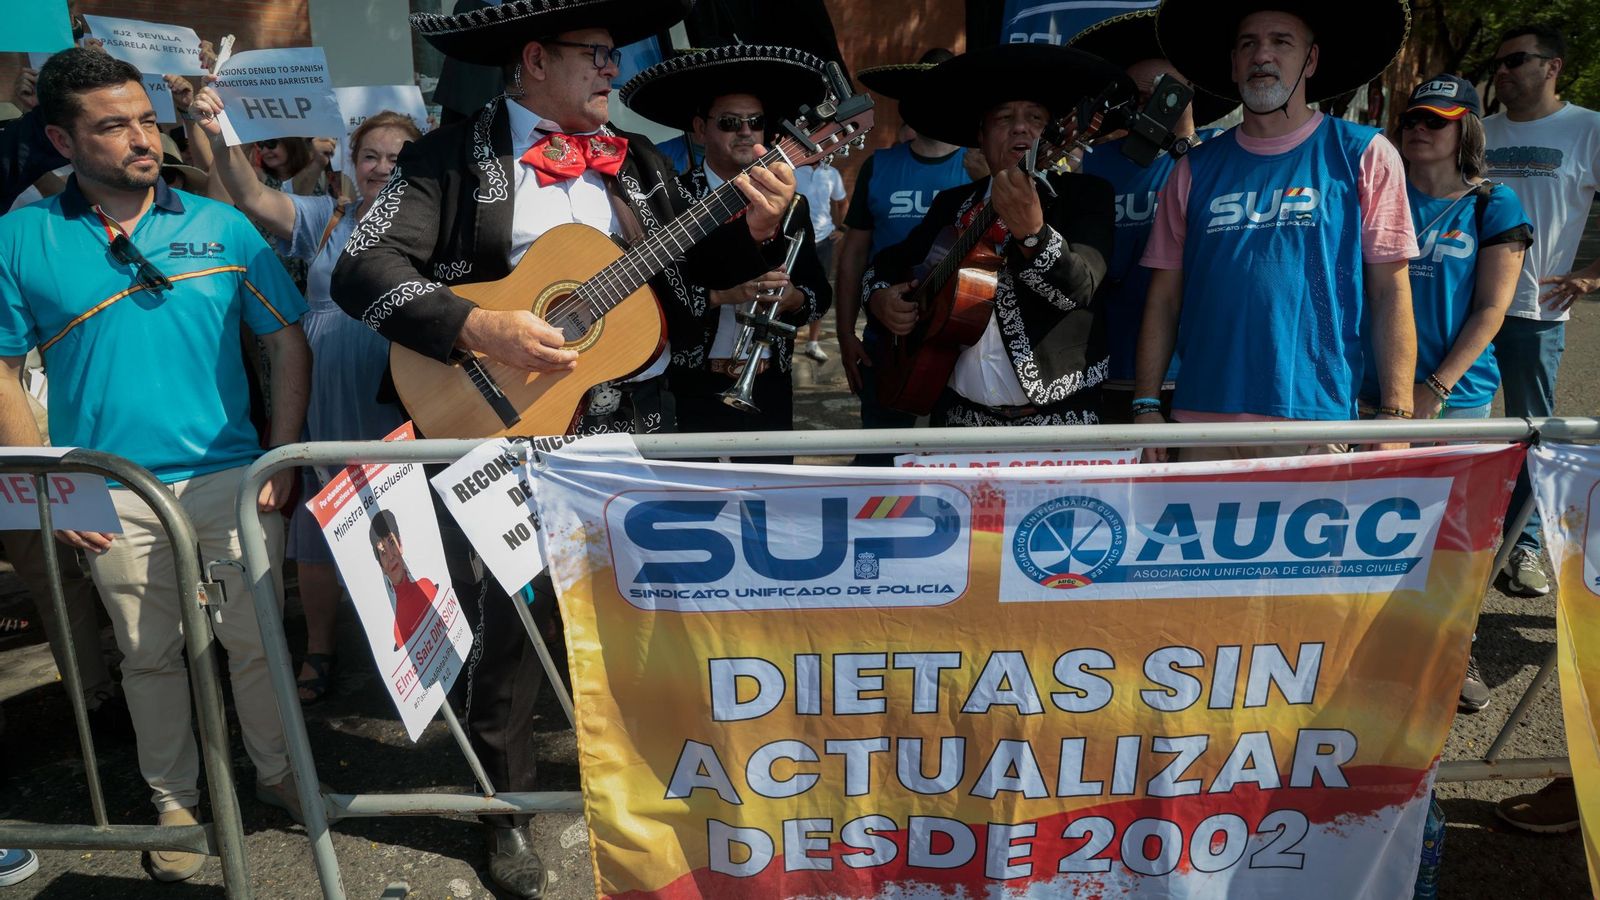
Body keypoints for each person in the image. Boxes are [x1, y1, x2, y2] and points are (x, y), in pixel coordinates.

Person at [330, 2, 794, 895]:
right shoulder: (448, 157)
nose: (614, 69)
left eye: (616, 55)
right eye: (598, 54)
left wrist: (758, 227)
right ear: (536, 60)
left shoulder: (640, 160)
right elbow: (363, 268)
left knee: (642, 610)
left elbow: (694, 270)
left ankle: (646, 779)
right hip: (501, 419)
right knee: (510, 624)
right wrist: (478, 326)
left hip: (630, 423)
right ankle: (506, 809)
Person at [0, 48, 311, 883]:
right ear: (62, 141)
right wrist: (55, 490)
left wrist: (282, 455)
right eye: (114, 126)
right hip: (112, 490)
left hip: (232, 478)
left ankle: (281, 773)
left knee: (255, 641)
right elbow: (1, 368)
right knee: (147, 654)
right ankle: (174, 802)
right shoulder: (19, 237)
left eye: (146, 119)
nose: (142, 138)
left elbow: (285, 339)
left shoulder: (223, 224)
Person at [194, 80, 421, 704]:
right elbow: (249, 194)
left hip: (403, 389)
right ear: (351, 160)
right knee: (321, 518)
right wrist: (220, 134)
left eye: (396, 157)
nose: (381, 167)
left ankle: (411, 640)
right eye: (370, 155)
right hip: (327, 389)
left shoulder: (433, 227)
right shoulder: (327, 217)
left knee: (402, 516)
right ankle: (321, 648)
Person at [1134, 0, 1418, 460]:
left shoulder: (1364, 153)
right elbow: (1164, 297)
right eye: (1248, 44)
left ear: (1312, 60)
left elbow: (1391, 291)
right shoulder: (1192, 169)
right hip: (1202, 421)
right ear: (1233, 64)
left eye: (1281, 42)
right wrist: (1146, 405)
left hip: (1314, 420)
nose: (1262, 55)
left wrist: (1397, 411)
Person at [1370, 76, 1530, 712]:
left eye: (1436, 120)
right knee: (1374, 530)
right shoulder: (1376, 193)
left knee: (1453, 539)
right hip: (1370, 396)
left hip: (1456, 398)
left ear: (1467, 128)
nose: (1419, 128)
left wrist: (1435, 386)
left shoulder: (1494, 203)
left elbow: (1492, 309)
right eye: (1412, 118)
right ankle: (1366, 651)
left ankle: (1451, 652)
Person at [863, 43, 1122, 427]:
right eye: (1004, 118)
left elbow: (1078, 290)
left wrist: (1033, 234)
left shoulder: (1086, 196)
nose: (1020, 127)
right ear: (980, 138)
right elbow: (886, 262)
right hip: (959, 421)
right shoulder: (952, 203)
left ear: (1054, 135)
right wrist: (879, 298)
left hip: (1059, 424)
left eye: (1035, 117)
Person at [1480, 22, 1600, 835]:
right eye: (1498, 62)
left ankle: (1522, 547)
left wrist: (1592, 274)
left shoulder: (1586, 129)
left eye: (1516, 59)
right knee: (1461, 431)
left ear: (1553, 67)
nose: (1503, 71)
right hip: (1469, 302)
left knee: (1535, 434)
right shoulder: (1481, 132)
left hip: (1537, 311)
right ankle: (1465, 543)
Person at [619, 44, 833, 438]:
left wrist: (793, 300)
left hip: (768, 382)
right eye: (730, 122)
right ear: (700, 129)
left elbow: (819, 294)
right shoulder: (671, 199)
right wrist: (722, 295)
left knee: (770, 479)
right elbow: (654, 297)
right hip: (690, 383)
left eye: (756, 121)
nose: (746, 131)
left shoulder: (794, 205)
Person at [1067, 9, 1234, 423]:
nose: (1148, 108)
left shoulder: (1214, 152)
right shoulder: (1093, 163)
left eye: (1163, 94)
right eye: (1137, 98)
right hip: (1106, 365)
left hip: (1189, 370)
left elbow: (1222, 233)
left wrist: (1185, 136)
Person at [835, 49, 972, 460]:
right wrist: (845, 334)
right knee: (881, 460)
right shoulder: (879, 166)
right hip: (887, 340)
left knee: (952, 465)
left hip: (963, 340)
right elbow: (853, 256)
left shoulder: (979, 165)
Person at [795, 156, 845, 361]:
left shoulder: (831, 173)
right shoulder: (794, 170)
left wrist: (843, 228)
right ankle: (787, 336)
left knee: (820, 290)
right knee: (789, 287)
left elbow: (842, 202)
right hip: (796, 240)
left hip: (824, 241)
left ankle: (813, 343)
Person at [367, 510, 439, 650]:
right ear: (381, 566)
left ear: (400, 544)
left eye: (391, 543)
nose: (391, 556)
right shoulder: (397, 630)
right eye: (382, 552)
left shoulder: (427, 586)